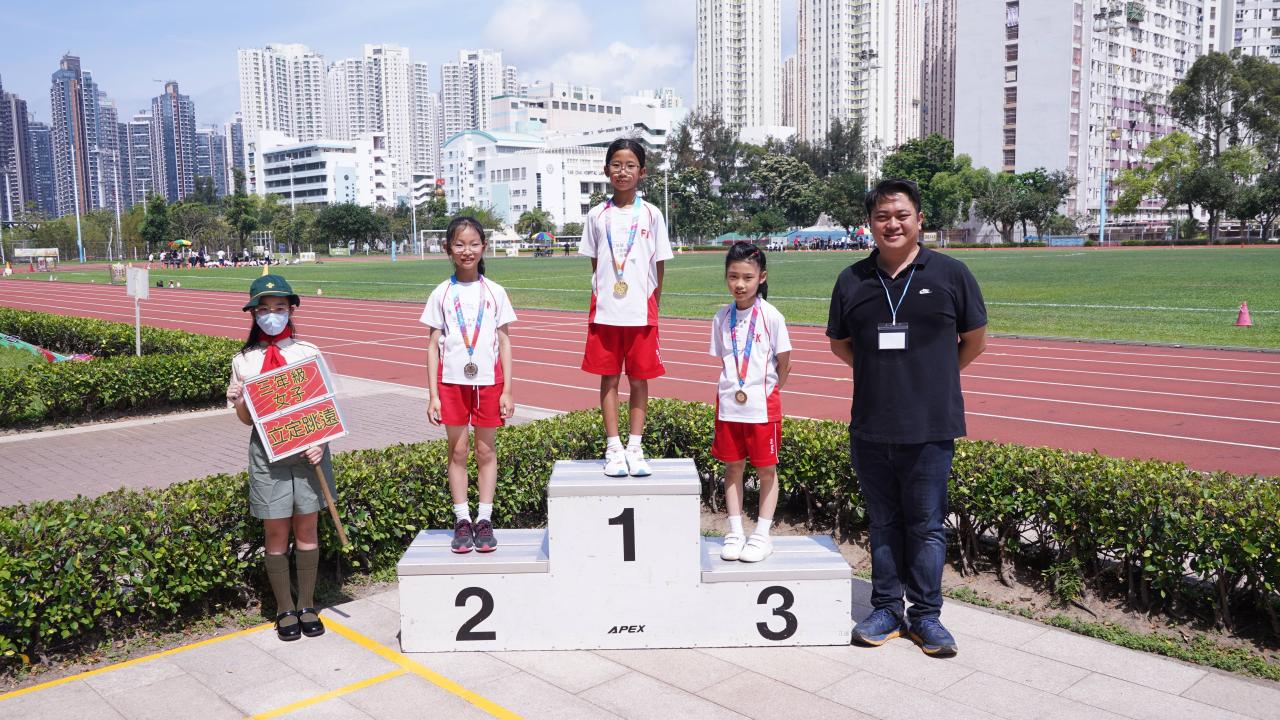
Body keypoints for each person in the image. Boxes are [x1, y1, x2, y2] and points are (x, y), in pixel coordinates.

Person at [826, 179, 987, 658]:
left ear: (919, 220)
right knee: (882, 522)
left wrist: (933, 376)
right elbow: (840, 344)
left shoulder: (952, 274)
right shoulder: (851, 280)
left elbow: (974, 340)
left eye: (901, 215)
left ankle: (926, 616)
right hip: (871, 425)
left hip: (931, 425)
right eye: (882, 216)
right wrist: (881, 372)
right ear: (869, 223)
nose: (892, 224)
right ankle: (885, 609)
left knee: (927, 525)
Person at [225, 275, 335, 642]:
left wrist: (321, 442)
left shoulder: (308, 352)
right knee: (275, 532)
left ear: (291, 310)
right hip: (268, 455)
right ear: (253, 314)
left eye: (280, 308)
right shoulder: (243, 361)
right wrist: (239, 400)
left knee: (307, 528)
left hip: (309, 452)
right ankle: (284, 608)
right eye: (264, 309)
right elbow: (246, 420)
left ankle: (307, 605)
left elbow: (325, 404)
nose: (272, 315)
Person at [579, 138, 673, 477]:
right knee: (609, 379)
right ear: (606, 170)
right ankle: (613, 447)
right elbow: (596, 265)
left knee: (639, 380)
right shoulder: (596, 215)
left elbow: (659, 265)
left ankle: (635, 446)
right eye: (616, 165)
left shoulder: (652, 214)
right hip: (606, 312)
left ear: (642, 172)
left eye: (630, 165)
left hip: (641, 312)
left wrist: (653, 305)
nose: (623, 171)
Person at [423, 216, 517, 553]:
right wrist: (433, 395)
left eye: (474, 244)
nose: (467, 251)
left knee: (486, 450)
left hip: (490, 382)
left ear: (484, 247)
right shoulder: (441, 293)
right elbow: (432, 346)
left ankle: (485, 519)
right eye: (459, 244)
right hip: (451, 382)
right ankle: (462, 520)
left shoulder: (495, 291)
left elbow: (504, 342)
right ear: (448, 249)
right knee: (458, 450)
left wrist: (508, 390)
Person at [710, 242, 791, 563]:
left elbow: (785, 363)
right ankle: (735, 532)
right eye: (733, 276)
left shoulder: (771, 317)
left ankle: (762, 535)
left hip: (762, 408)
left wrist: (766, 390)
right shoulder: (721, 317)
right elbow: (724, 360)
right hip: (729, 407)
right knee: (733, 468)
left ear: (762, 277)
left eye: (747, 277)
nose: (740, 284)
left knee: (766, 471)